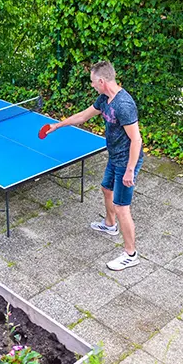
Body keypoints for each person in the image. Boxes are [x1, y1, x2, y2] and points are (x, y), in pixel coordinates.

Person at [47, 61, 144, 271]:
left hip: (126, 161)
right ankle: (110, 226)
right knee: (105, 188)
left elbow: (136, 140)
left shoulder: (123, 105)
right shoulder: (105, 99)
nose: (92, 85)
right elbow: (83, 116)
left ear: (101, 81)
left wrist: (129, 170)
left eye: (92, 82)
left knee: (122, 207)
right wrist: (57, 125)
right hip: (115, 156)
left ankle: (131, 254)